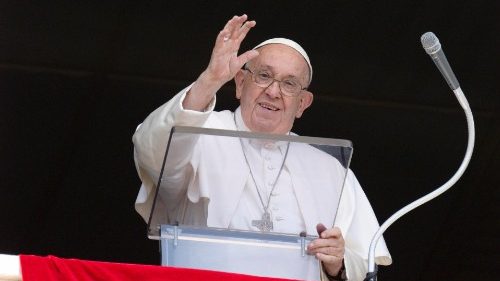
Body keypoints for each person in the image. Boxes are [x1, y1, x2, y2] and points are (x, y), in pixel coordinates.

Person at [133, 14, 391, 281]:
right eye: (264, 76)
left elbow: (366, 262)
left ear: (302, 103)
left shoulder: (330, 170)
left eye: (289, 84)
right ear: (241, 83)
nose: (273, 91)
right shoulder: (199, 132)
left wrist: (337, 263)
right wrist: (210, 80)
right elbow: (151, 152)